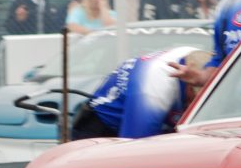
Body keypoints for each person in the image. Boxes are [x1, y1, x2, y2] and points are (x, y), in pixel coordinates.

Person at [71, 47, 211, 140]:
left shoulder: (201, 59)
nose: (197, 103)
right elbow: (135, 150)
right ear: (188, 84)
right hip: (103, 129)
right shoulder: (153, 87)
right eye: (196, 97)